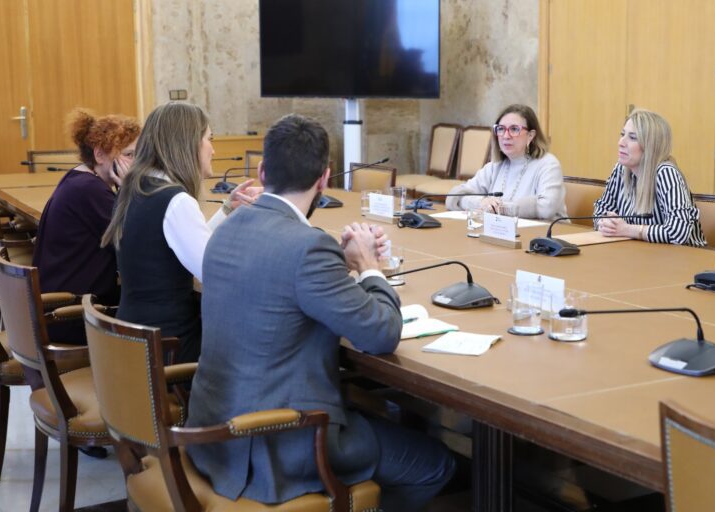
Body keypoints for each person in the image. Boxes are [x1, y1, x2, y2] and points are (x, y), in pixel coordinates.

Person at [187, 114, 455, 511]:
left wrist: (341, 263)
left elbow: (279, 278)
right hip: (277, 443)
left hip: (213, 430)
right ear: (324, 178)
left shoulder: (228, 227)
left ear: (262, 171)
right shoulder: (308, 247)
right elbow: (381, 334)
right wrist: (370, 268)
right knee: (435, 464)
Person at [101, 102, 261, 363]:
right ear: (188, 143)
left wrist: (227, 209)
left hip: (135, 341)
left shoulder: (138, 188)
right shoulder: (174, 201)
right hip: (169, 349)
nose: (213, 149)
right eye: (209, 139)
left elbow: (180, 243)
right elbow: (217, 275)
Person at [32, 109, 140, 345]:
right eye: (129, 155)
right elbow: (132, 246)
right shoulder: (89, 190)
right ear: (99, 154)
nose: (136, 163)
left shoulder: (79, 178)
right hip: (72, 316)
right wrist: (130, 191)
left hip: (60, 308)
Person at [593, 109, 706, 246]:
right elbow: (601, 210)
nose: (621, 142)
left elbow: (678, 232)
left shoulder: (666, 173)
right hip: (638, 251)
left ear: (650, 146)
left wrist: (627, 229)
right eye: (622, 134)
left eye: (632, 138)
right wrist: (605, 223)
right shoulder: (621, 169)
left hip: (683, 255)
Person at [445, 104, 567, 220]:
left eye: (514, 129)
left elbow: (546, 208)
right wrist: (481, 202)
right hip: (503, 231)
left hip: (548, 232)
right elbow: (454, 197)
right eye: (501, 129)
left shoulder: (548, 164)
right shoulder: (494, 167)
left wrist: (499, 208)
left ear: (530, 135)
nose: (506, 136)